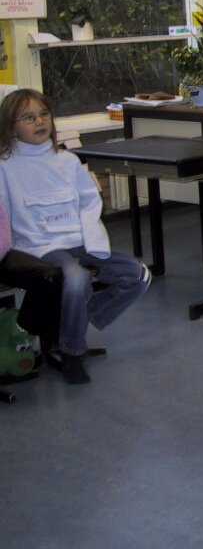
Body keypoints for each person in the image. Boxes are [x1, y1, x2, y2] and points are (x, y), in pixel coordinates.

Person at [0, 89, 150, 383]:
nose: (40, 121)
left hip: (81, 242)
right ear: (11, 127)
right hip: (42, 248)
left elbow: (89, 203)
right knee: (77, 280)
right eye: (29, 117)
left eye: (44, 114)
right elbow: (4, 217)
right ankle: (72, 351)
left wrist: (93, 241)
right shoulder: (5, 167)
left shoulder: (67, 161)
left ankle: (72, 324)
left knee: (138, 275)